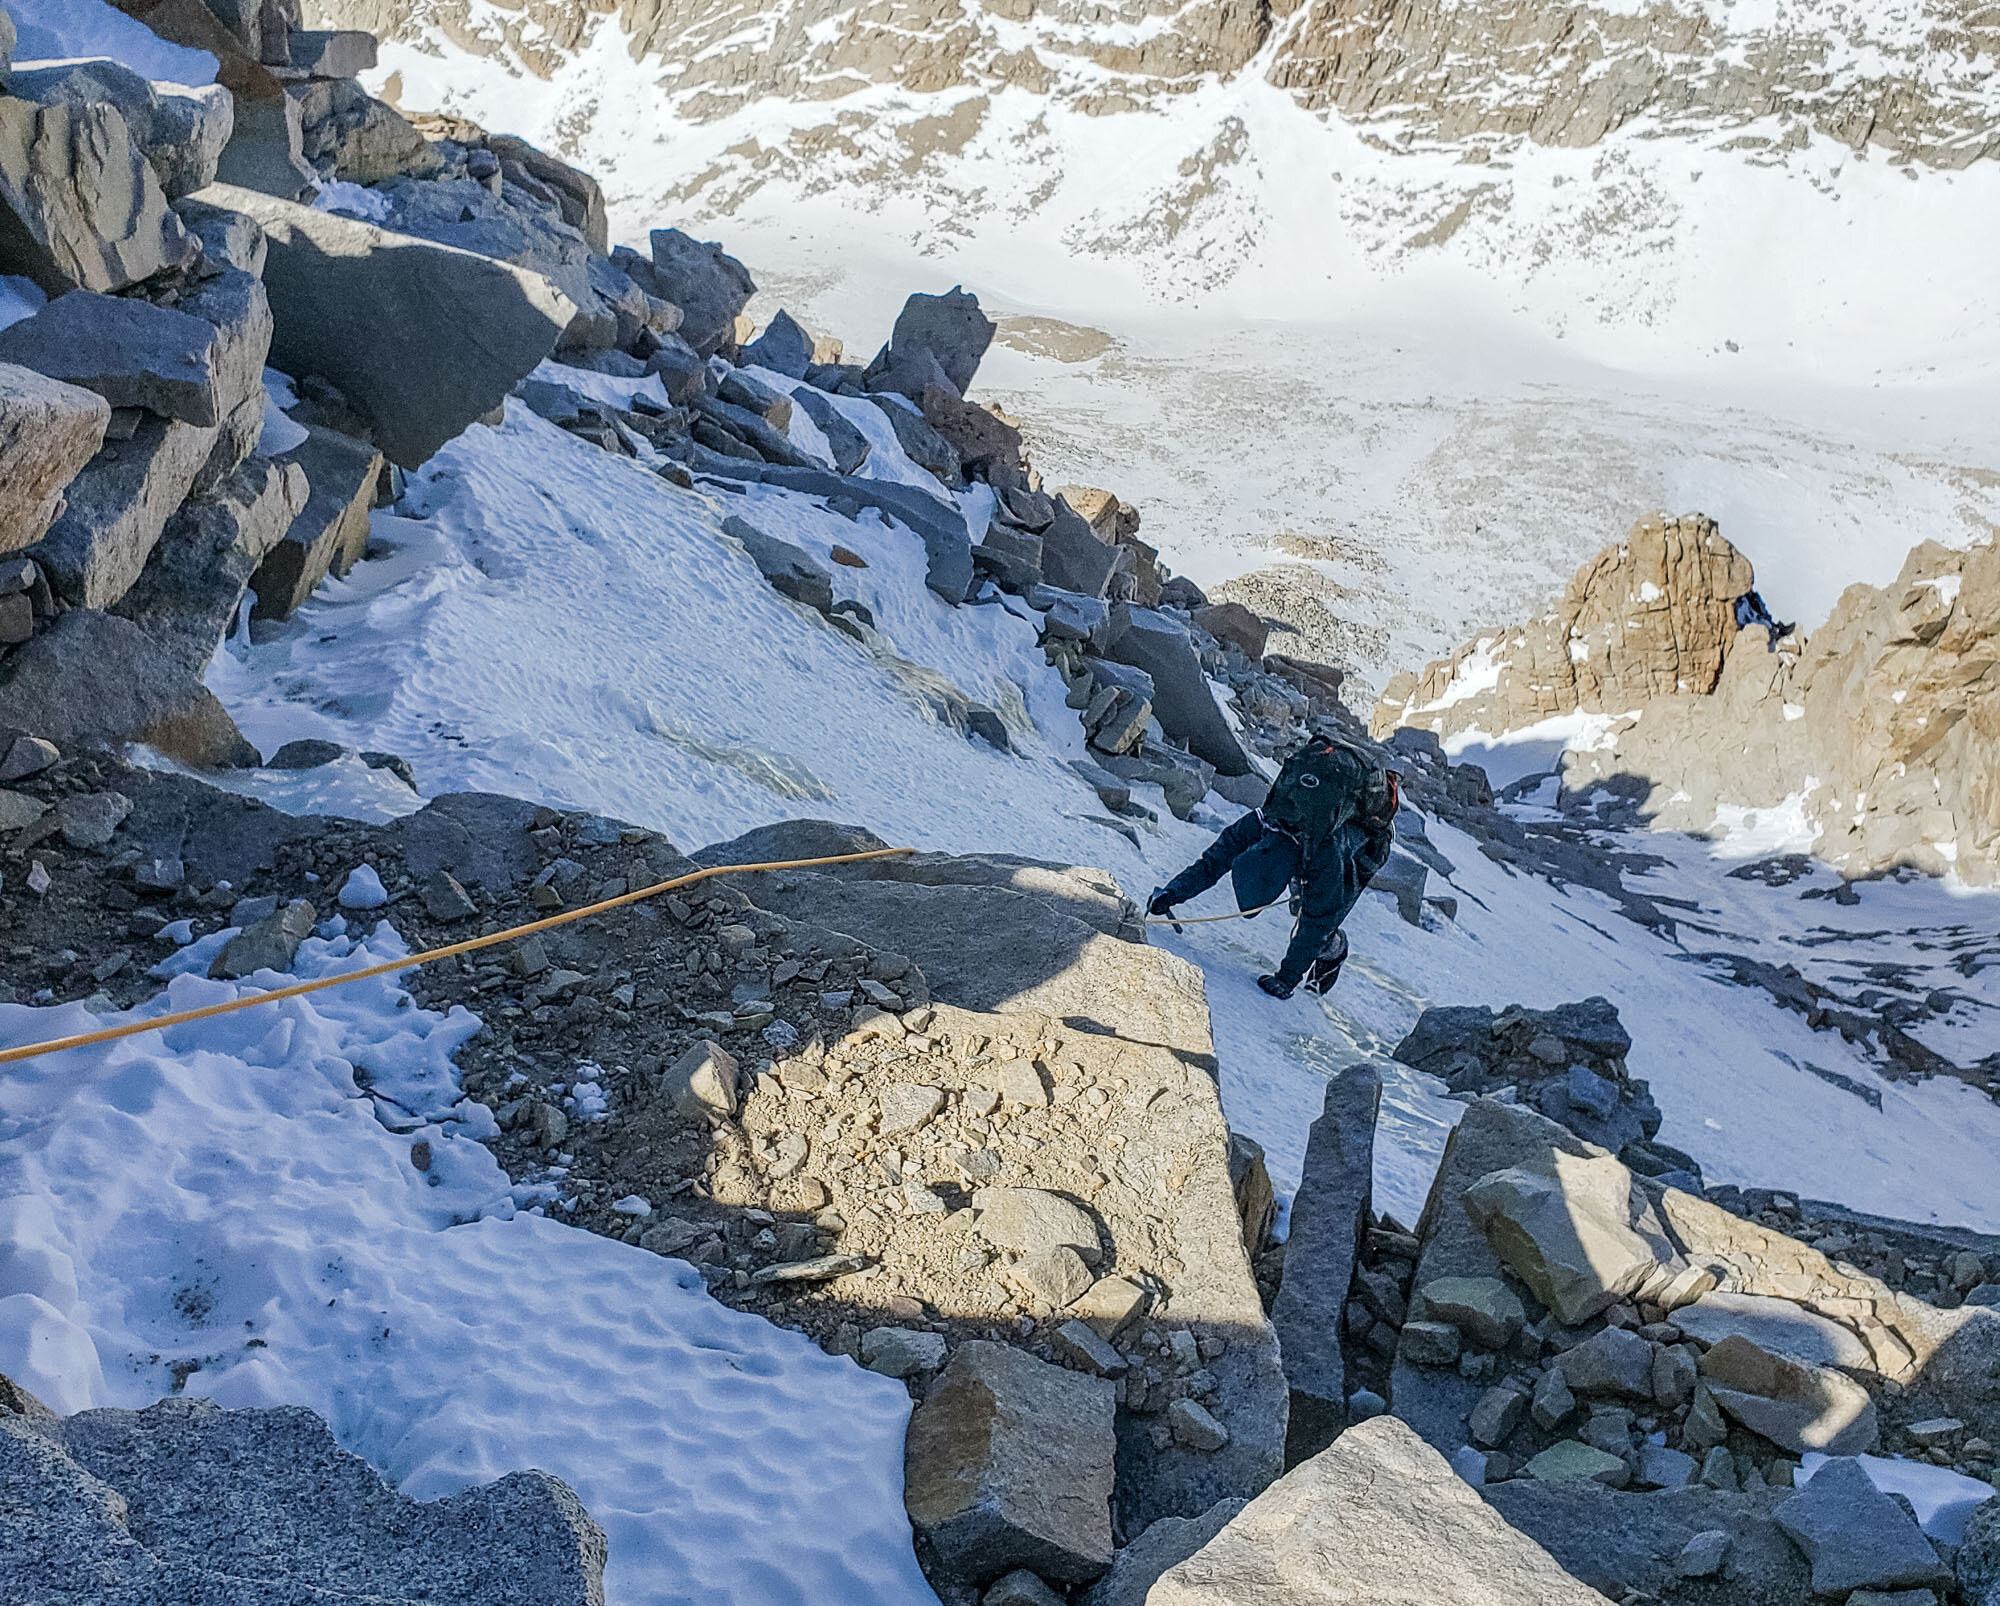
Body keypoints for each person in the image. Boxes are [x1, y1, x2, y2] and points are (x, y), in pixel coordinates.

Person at [1149, 734, 1399, 999]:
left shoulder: (1325, 855)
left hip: (1367, 847)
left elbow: (1319, 920)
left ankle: (1334, 950)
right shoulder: (1260, 823)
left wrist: (1286, 979)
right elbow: (1212, 863)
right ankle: (1308, 944)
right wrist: (1172, 893)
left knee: (1320, 913)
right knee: (1304, 904)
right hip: (1308, 845)